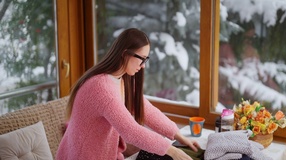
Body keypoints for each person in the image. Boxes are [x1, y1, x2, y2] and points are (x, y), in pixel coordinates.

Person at [56, 28, 200, 160]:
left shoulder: (121, 80)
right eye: (141, 58)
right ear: (125, 54)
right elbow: (131, 132)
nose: (143, 65)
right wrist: (173, 151)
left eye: (146, 59)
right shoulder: (101, 88)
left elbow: (146, 110)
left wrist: (178, 135)